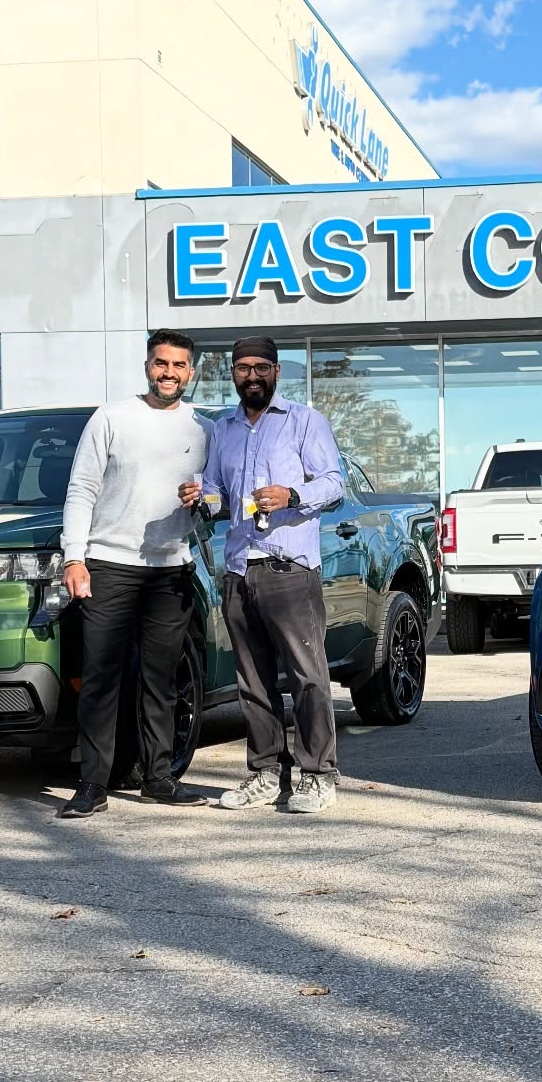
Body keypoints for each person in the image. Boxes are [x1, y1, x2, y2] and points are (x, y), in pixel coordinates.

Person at [57, 330, 213, 818]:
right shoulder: (112, 418)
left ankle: (159, 778)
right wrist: (74, 557)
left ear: (192, 371)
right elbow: (82, 488)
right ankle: (92, 784)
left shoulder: (204, 428)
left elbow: (220, 494)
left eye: (180, 365)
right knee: (101, 677)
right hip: (109, 563)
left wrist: (206, 497)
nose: (170, 373)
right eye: (161, 363)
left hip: (171, 569)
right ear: (148, 365)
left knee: (160, 679)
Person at [186, 336, 344, 814]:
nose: (251, 376)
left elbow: (334, 483)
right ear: (231, 374)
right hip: (239, 571)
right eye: (241, 369)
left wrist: (292, 495)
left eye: (260, 368)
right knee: (252, 682)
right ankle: (265, 774)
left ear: (276, 371)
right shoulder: (224, 429)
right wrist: (201, 498)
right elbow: (217, 493)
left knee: (308, 677)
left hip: (289, 568)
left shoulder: (304, 422)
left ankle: (318, 776)